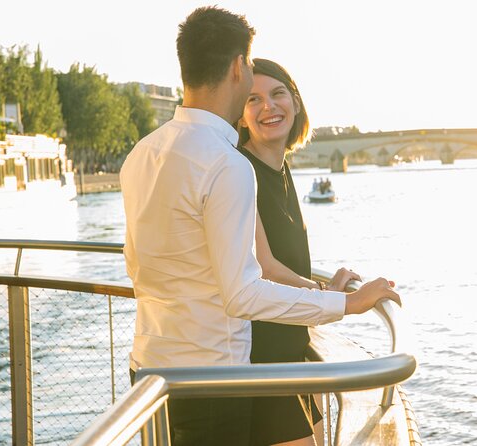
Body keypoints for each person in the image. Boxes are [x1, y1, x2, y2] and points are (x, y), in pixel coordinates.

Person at [119, 6, 400, 446]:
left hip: (149, 369)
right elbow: (243, 292)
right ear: (238, 68)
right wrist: (346, 305)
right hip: (212, 378)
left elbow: (135, 263)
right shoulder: (226, 164)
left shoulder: (143, 153)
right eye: (250, 67)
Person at [237, 58, 361, 446]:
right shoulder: (241, 170)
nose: (269, 107)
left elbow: (284, 262)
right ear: (240, 117)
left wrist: (322, 284)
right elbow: (265, 267)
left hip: (294, 352)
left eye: (278, 94)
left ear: (296, 101)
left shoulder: (281, 168)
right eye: (253, 99)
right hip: (265, 361)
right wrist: (331, 298)